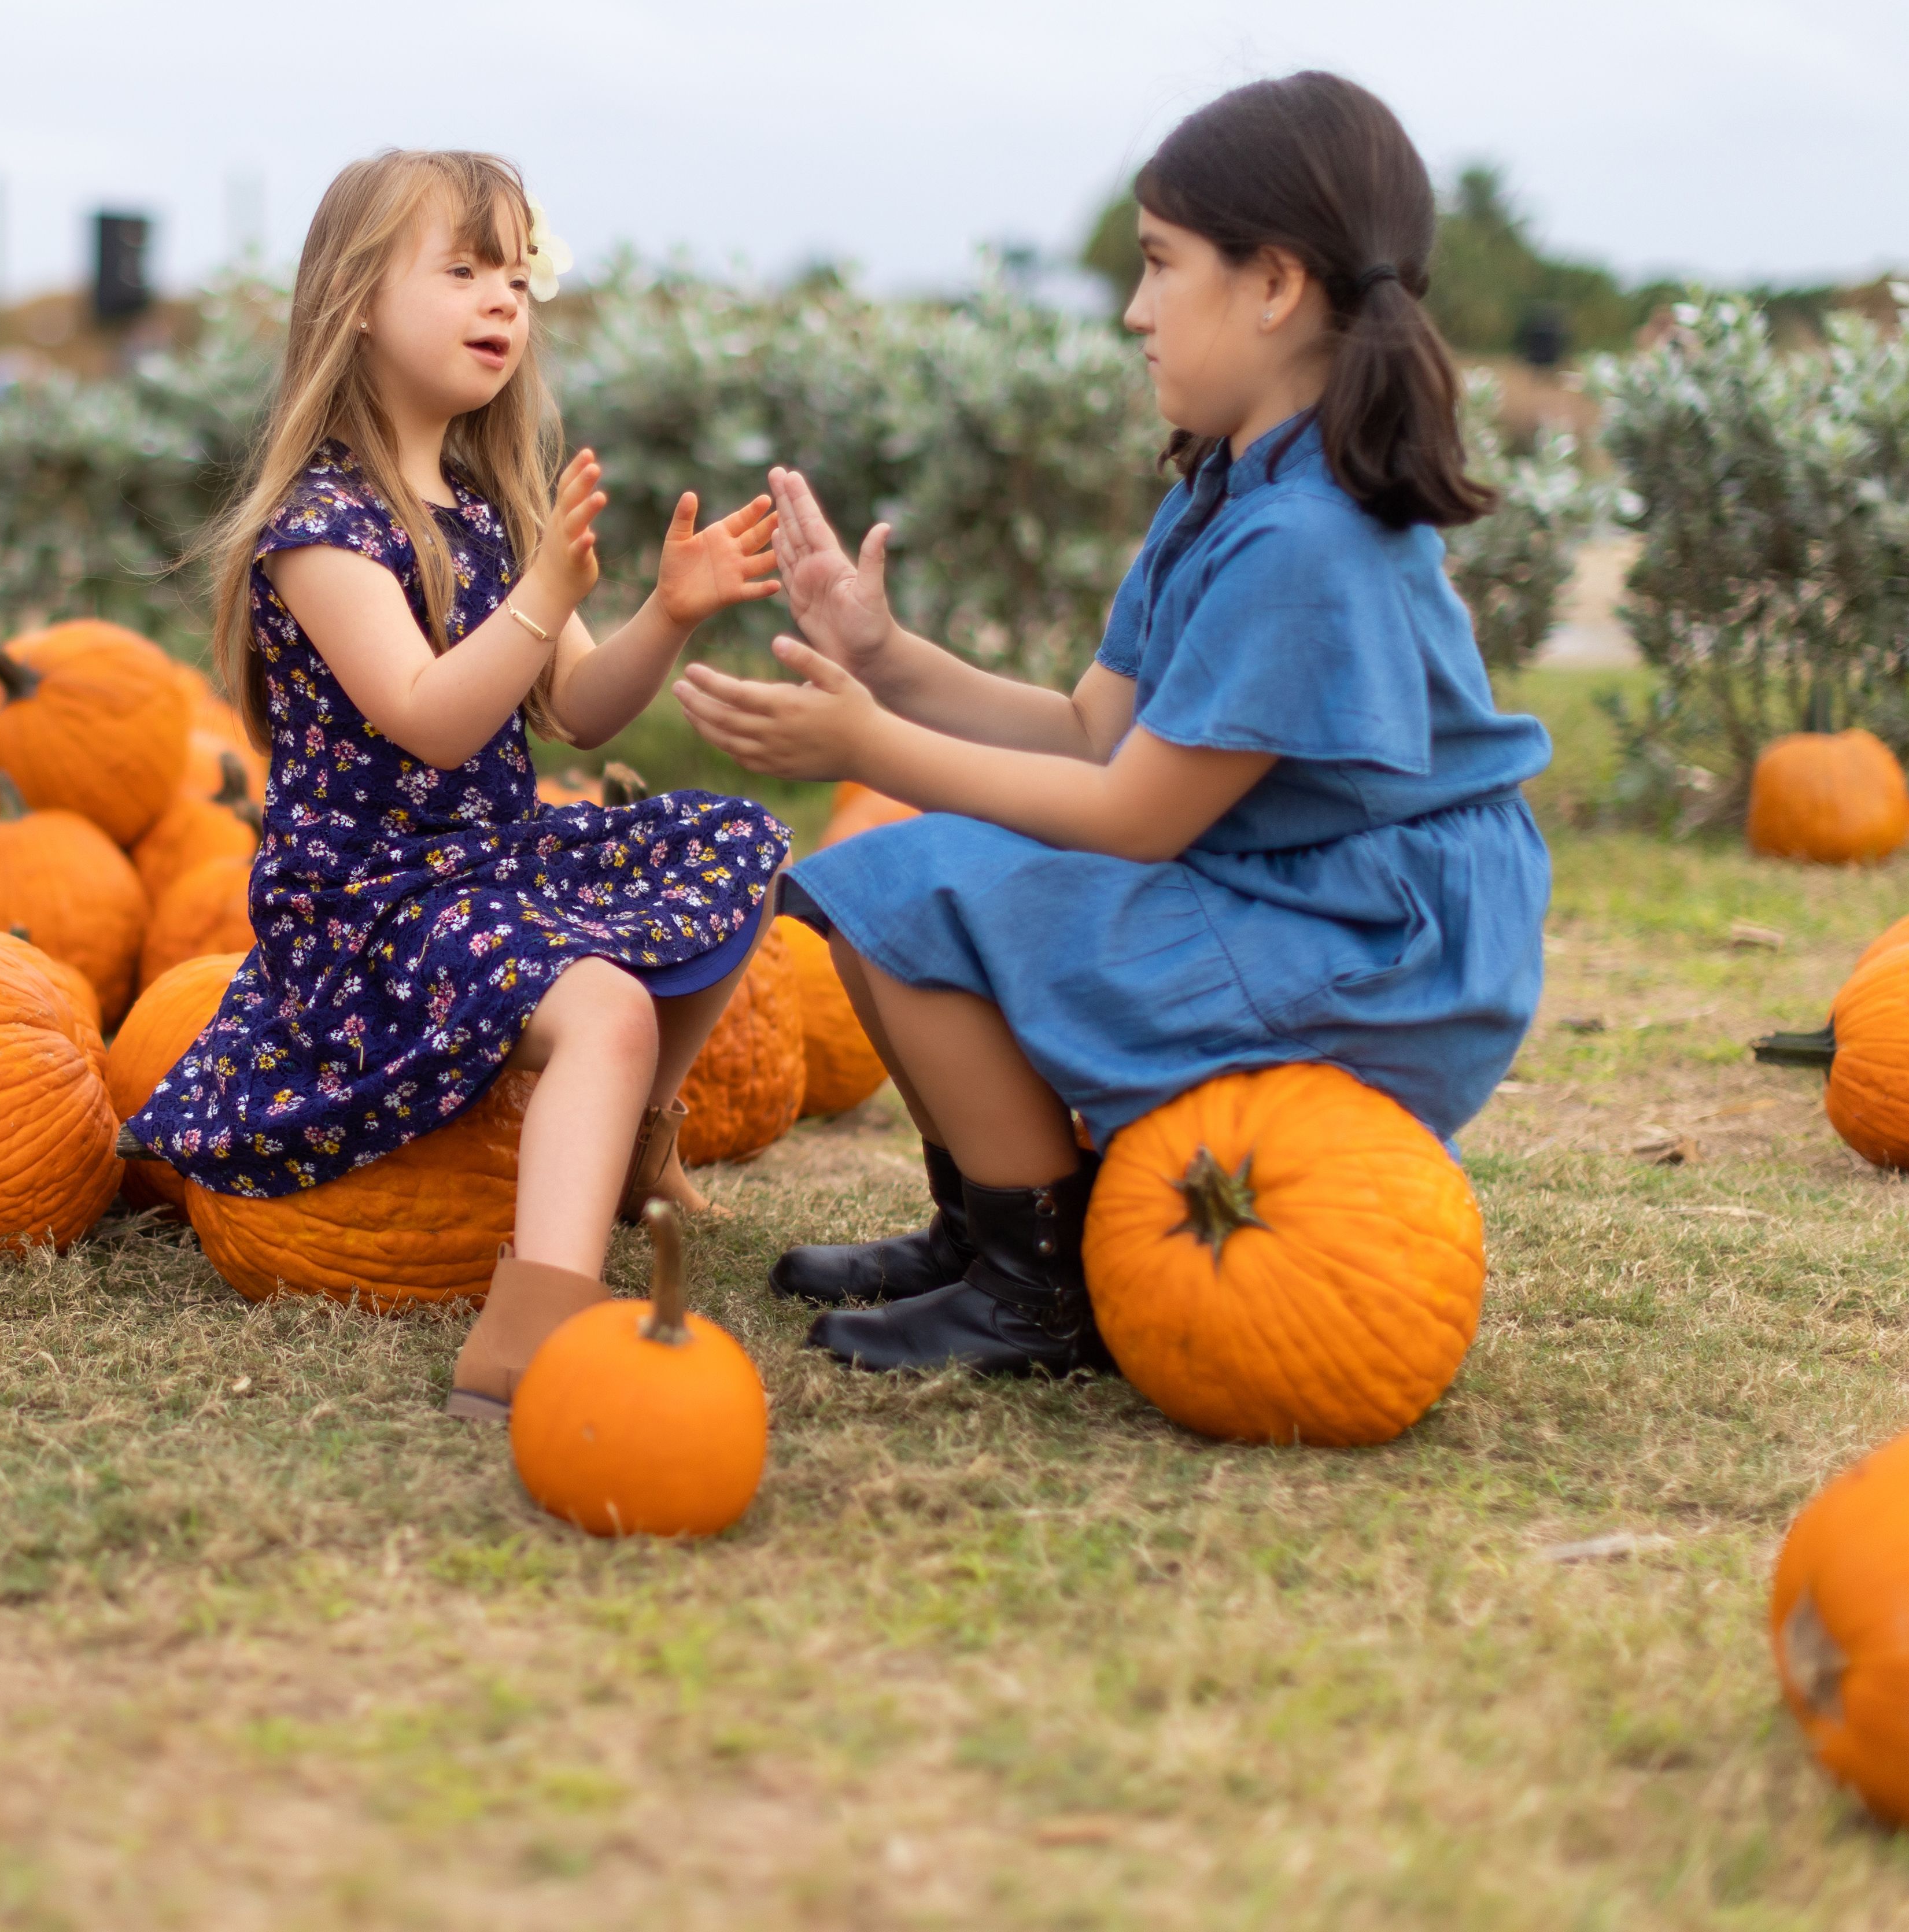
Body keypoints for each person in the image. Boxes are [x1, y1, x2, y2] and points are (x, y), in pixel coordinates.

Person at [675, 72, 1552, 1379]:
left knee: (911, 891)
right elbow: (1092, 731)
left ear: (1274, 286)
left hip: (1380, 944)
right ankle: (990, 1227)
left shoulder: (1308, 537)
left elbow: (1138, 816)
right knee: (880, 887)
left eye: (1159, 266)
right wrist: (887, 656)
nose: (1135, 312)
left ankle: (1045, 1290)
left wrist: (867, 746)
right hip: (1292, 891)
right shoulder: (1225, 483)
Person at [127, 149, 789, 1421]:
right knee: (603, 1007)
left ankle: (636, 1148)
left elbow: (581, 712)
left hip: (488, 862)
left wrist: (664, 611)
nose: (504, 301)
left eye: (520, 277)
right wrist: (545, 597)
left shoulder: (490, 506)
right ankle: (532, 1323)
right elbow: (433, 723)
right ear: (358, 301)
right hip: (367, 902)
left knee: (736, 844)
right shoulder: (323, 530)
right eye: (466, 270)